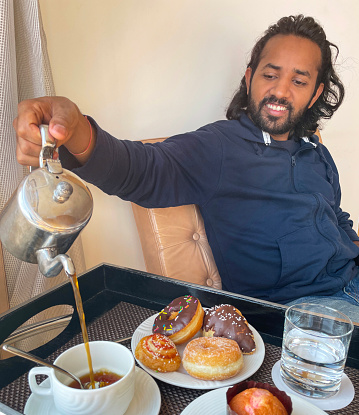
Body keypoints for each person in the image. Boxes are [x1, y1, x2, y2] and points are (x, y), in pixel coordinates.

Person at [13, 14, 359, 318]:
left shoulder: (315, 150)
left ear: (314, 94)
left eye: (299, 81)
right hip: (302, 312)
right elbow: (141, 171)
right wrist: (75, 130)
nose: (280, 91)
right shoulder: (220, 147)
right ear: (250, 77)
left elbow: (337, 218)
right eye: (271, 75)